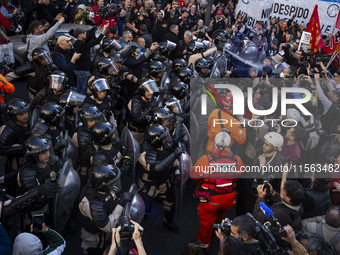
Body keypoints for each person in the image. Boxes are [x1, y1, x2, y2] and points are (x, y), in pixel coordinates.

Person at [193, 131, 245, 248]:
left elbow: (195, 175)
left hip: (210, 201)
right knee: (218, 216)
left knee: (205, 227)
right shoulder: (237, 159)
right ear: (230, 145)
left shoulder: (205, 160)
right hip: (228, 200)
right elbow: (241, 172)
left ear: (214, 144)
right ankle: (215, 229)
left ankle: (203, 247)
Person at [138, 124, 183, 233]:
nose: (166, 138)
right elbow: (156, 168)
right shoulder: (148, 152)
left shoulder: (165, 146)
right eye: (163, 137)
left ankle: (168, 221)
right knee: (141, 207)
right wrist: (175, 154)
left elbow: (174, 162)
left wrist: (177, 173)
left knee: (170, 203)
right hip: (149, 184)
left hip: (164, 182)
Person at [78, 164, 131, 254]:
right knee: (95, 251)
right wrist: (120, 204)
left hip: (104, 234)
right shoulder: (92, 203)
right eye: (112, 183)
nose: (115, 184)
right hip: (94, 237)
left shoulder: (102, 189)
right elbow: (107, 226)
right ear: (103, 185)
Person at [17, 136, 61, 230]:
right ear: (33, 155)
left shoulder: (47, 162)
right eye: (43, 152)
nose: (48, 154)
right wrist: (46, 193)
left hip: (47, 207)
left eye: (48, 150)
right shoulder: (27, 174)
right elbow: (33, 200)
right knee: (37, 237)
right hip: (34, 212)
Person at [73, 24, 108, 94]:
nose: (85, 34)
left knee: (79, 87)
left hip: (78, 69)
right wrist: (104, 30)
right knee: (84, 88)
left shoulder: (76, 43)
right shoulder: (82, 44)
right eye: (83, 33)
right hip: (83, 70)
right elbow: (97, 41)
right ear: (79, 35)